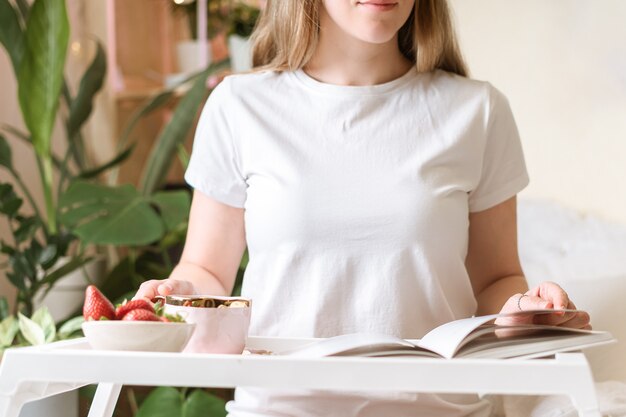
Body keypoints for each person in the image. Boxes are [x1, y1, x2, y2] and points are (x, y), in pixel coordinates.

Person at [135, 0, 591, 415]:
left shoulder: (478, 111)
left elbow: (495, 280)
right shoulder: (238, 108)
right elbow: (207, 272)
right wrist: (175, 291)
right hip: (281, 409)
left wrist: (525, 308)